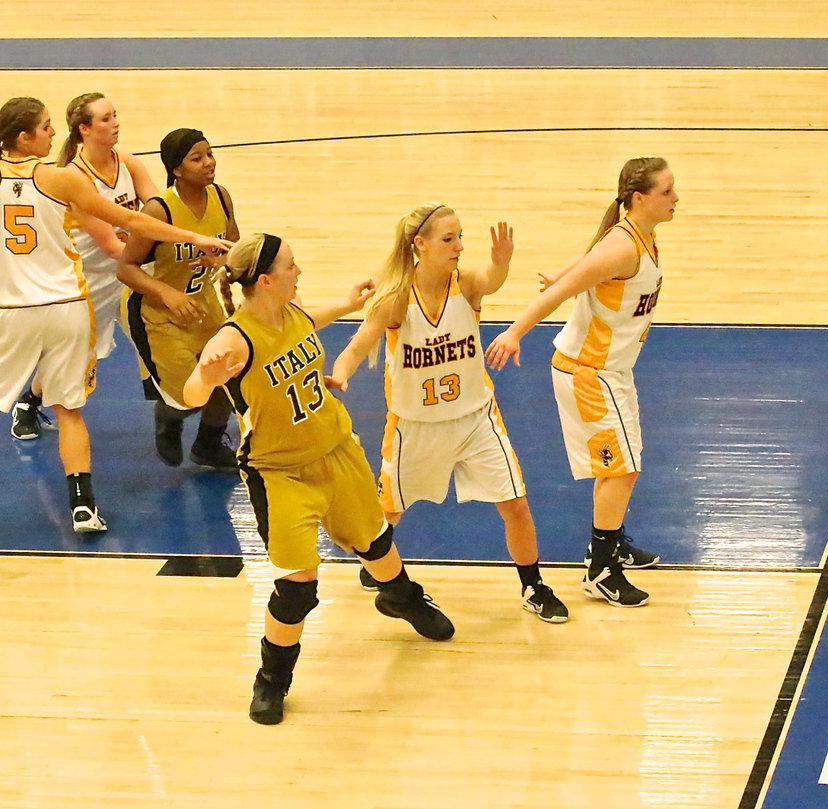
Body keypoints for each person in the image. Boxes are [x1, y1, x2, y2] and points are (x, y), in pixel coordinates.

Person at [182, 233, 455, 725]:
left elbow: (308, 325)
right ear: (265, 281)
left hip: (336, 450)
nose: (299, 272)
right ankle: (271, 681)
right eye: (291, 266)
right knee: (296, 590)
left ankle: (402, 599)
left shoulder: (291, 310)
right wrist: (205, 374)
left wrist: (348, 305)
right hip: (281, 472)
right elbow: (191, 394)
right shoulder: (233, 339)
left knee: (376, 544)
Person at [330, 204, 569, 623]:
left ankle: (533, 585)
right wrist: (340, 375)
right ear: (419, 245)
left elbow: (492, 280)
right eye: (448, 239)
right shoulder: (396, 299)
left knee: (515, 504)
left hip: (476, 419)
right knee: (387, 512)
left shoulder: (467, 285)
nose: (459, 246)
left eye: (461, 237)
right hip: (415, 427)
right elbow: (356, 346)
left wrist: (502, 261)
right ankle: (381, 568)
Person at [0, 97, 231, 531]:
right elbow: (131, 222)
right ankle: (82, 505)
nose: (53, 135)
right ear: (24, 137)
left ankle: (43, 409)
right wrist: (193, 238)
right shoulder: (60, 178)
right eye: (46, 128)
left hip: (12, 306)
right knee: (70, 409)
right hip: (70, 298)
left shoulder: (105, 164)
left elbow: (140, 214)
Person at [485, 157, 676, 608]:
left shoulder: (637, 233)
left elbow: (591, 260)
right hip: (590, 373)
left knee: (620, 466)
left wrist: (568, 271)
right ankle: (601, 569)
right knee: (623, 468)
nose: (676, 198)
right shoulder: (623, 247)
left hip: (612, 370)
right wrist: (514, 332)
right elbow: (559, 294)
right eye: (667, 191)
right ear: (639, 198)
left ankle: (611, 543)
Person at [10, 92, 159, 441]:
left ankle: (165, 395)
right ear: (85, 129)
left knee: (158, 325)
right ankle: (29, 401)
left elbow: (155, 207)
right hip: (91, 280)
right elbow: (111, 245)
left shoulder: (128, 161)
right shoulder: (75, 179)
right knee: (74, 360)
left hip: (129, 269)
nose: (115, 123)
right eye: (106, 118)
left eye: (115, 114)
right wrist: (154, 250)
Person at [118, 128, 240, 470]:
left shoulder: (221, 196)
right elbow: (125, 269)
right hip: (159, 316)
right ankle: (169, 416)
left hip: (204, 306)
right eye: (196, 158)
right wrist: (166, 292)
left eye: (210, 154)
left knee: (230, 378)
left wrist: (224, 260)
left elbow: (234, 246)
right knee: (191, 395)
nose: (208, 163)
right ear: (176, 169)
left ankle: (208, 445)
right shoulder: (159, 211)